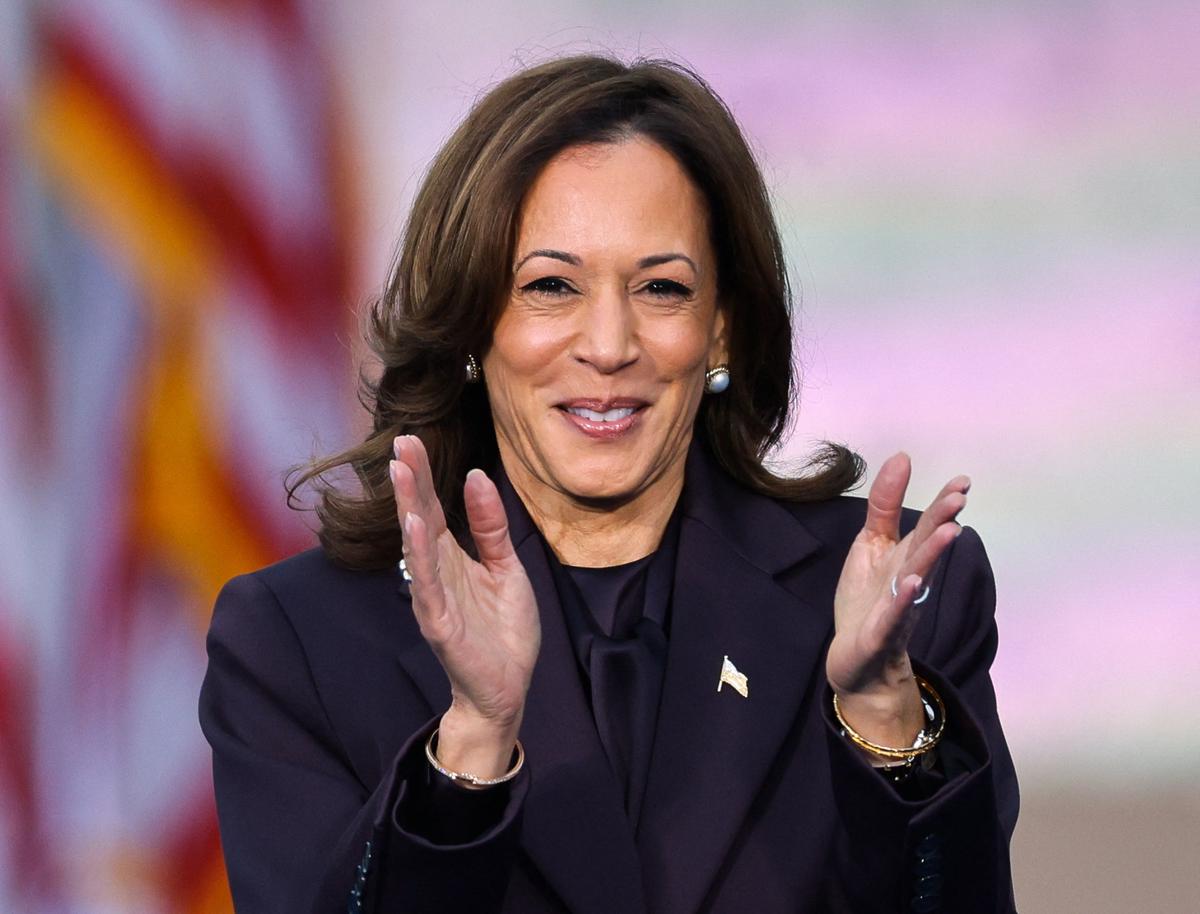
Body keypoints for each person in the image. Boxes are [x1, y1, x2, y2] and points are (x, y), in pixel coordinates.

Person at [199, 55, 1018, 913]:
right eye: (551, 286)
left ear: (724, 329)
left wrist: (886, 717)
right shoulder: (296, 640)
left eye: (661, 288)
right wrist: (472, 746)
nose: (609, 343)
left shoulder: (903, 598)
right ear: (472, 322)